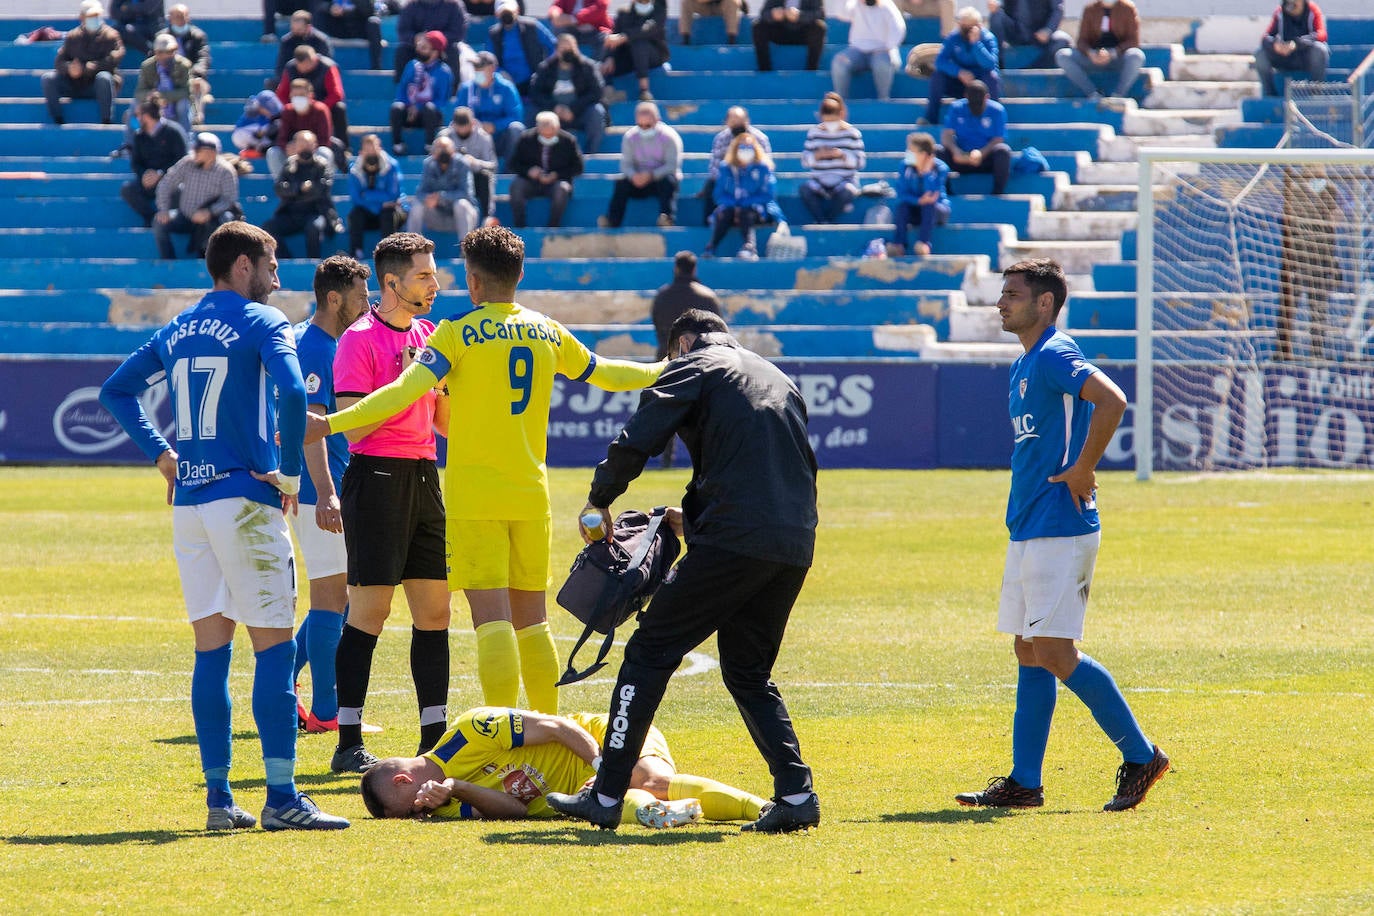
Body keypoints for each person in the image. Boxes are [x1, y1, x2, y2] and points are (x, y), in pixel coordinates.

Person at [307, 226, 664, 722]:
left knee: (490, 621)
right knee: (533, 624)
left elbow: (402, 393)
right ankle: (551, 734)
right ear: (520, 275)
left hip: (475, 497)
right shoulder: (548, 330)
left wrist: (329, 423)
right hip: (531, 495)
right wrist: (666, 368)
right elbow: (610, 373)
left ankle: (507, 740)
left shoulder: (455, 333)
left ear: (473, 282)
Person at [98, 220, 350, 832]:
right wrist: (290, 474)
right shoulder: (264, 323)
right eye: (270, 263)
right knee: (271, 651)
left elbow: (116, 391)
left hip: (192, 506)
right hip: (245, 501)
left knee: (210, 653)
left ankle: (218, 801)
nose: (278, 275)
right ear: (242, 266)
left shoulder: (178, 327)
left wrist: (163, 452)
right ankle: (283, 798)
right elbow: (294, 394)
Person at [546, 309, 820, 834]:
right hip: (791, 542)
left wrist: (600, 498)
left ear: (685, 341)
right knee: (747, 671)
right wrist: (691, 519)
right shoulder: (776, 376)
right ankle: (796, 794)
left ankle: (605, 796)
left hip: (733, 540)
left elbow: (640, 434)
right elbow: (769, 467)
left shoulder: (694, 363)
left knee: (649, 652)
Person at [954, 258, 1170, 813]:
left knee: (1053, 649)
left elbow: (1113, 399)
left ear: (1044, 303)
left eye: (1012, 294)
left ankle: (1142, 756)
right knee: (1029, 650)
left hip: (1060, 524)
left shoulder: (1054, 352)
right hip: (1029, 525)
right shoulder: (1024, 362)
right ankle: (1025, 781)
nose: (1000, 302)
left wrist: (1083, 466)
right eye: (1001, 293)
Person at [321, 232, 454, 774]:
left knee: (436, 611)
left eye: (434, 273)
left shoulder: (431, 335)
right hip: (375, 477)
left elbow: (443, 424)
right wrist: (407, 378)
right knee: (371, 612)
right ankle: (347, 740)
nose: (435, 284)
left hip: (425, 476)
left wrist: (448, 394)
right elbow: (355, 424)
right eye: (424, 275)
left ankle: (436, 741)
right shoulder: (358, 338)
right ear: (392, 283)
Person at [361, 706, 769, 828]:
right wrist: (460, 789)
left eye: (409, 807)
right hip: (584, 790)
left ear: (403, 779)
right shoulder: (445, 802)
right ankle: (663, 813)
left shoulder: (471, 731)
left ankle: (762, 809)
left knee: (651, 780)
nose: (420, 812)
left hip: (601, 740)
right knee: (632, 803)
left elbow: (560, 727)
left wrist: (603, 766)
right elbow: (517, 811)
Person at [287, 254, 373, 735]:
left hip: (315, 483)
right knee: (331, 595)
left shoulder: (304, 337)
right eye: (361, 296)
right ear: (334, 297)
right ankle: (325, 710)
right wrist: (325, 493)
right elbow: (310, 427)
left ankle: (292, 682)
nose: (368, 305)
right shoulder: (319, 346)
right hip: (319, 484)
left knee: (337, 595)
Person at [1277, 167, 1341, 361]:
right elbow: (1294, 227)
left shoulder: (1329, 191)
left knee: (1318, 311)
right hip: (1298, 261)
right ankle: (1282, 352)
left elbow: (1330, 231)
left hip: (1320, 263)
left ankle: (1316, 354)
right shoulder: (1296, 192)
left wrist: (1333, 263)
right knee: (1289, 306)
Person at [154, 131, 240, 260]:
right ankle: (168, 261)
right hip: (184, 216)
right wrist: (163, 209)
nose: (194, 152)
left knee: (226, 219)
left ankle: (210, 261)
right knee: (158, 222)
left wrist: (209, 212)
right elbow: (166, 183)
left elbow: (229, 199)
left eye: (198, 150)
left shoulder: (225, 171)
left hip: (211, 219)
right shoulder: (187, 163)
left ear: (210, 152)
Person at [599, 100, 682, 228]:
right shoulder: (630, 137)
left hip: (660, 179)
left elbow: (672, 165)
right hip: (638, 180)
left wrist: (651, 175)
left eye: (647, 125)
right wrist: (633, 176)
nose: (643, 128)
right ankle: (612, 221)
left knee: (669, 182)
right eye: (640, 125)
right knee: (621, 184)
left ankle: (667, 220)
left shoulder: (670, 137)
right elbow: (625, 164)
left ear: (657, 120)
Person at [42, 1, 125, 126]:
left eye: (96, 15)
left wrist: (86, 68)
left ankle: (106, 120)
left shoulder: (111, 35)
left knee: (104, 78)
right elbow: (59, 62)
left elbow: (114, 59)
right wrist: (69, 69)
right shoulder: (72, 36)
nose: (94, 19)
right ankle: (57, 119)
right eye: (90, 16)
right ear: (82, 17)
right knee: (48, 78)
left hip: (97, 87)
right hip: (74, 84)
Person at [528, 32, 608, 154]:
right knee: (532, 112)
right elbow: (535, 93)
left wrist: (573, 109)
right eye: (563, 49)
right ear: (557, 51)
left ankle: (591, 153)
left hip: (580, 113)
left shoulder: (587, 66)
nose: (567, 52)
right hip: (553, 114)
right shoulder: (545, 68)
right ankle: (535, 155)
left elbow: (597, 92)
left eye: (570, 48)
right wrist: (554, 107)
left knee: (597, 112)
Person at [706, 131, 780, 261]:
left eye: (749, 147)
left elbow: (768, 194)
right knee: (725, 213)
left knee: (746, 213)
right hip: (731, 209)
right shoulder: (726, 168)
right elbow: (719, 194)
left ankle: (749, 247)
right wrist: (734, 205)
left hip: (756, 210)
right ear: (735, 149)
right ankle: (711, 247)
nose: (745, 151)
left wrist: (744, 203)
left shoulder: (763, 168)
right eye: (742, 147)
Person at [924, 7, 1001, 127]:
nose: (966, 31)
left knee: (992, 77)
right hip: (958, 83)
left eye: (970, 27)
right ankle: (930, 118)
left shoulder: (988, 38)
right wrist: (959, 72)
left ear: (979, 26)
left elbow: (990, 64)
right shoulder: (953, 37)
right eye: (963, 26)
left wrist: (976, 44)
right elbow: (940, 61)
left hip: (980, 85)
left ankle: (993, 119)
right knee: (937, 76)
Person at [264, 130, 334, 260]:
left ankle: (314, 263)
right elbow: (279, 189)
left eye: (308, 144)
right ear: (295, 146)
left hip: (315, 212)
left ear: (315, 145)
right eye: (301, 144)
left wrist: (294, 193)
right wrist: (299, 189)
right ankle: (285, 259)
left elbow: (322, 190)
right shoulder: (289, 165)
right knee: (268, 228)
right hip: (291, 214)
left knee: (313, 228)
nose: (305, 148)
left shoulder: (322, 166)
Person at [1054, 0, 1145, 101]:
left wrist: (1113, 52)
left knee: (1136, 56)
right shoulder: (1090, 9)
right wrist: (1090, 53)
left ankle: (1118, 95)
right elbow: (1081, 41)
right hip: (1094, 58)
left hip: (1118, 58)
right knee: (1062, 55)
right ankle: (1092, 94)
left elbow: (1134, 40)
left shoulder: (1128, 8)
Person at [507, 111, 584, 228]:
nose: (547, 137)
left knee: (562, 189)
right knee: (516, 186)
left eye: (551, 134)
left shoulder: (568, 141)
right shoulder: (526, 139)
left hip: (556, 182)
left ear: (557, 128)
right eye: (544, 134)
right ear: (538, 129)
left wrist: (556, 175)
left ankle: (553, 227)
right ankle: (520, 226)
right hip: (531, 182)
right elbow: (513, 164)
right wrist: (528, 171)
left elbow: (578, 167)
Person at [120, 96, 188, 226]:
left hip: (170, 180)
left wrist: (161, 173)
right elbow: (136, 162)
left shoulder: (173, 132)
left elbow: (182, 159)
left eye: (138, 115)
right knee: (127, 190)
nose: (137, 118)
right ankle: (151, 218)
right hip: (148, 182)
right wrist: (144, 175)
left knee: (180, 192)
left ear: (147, 115)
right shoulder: (139, 136)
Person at [800, 92, 865, 224]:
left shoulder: (852, 133)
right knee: (805, 190)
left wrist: (842, 155)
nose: (829, 125)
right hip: (819, 182)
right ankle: (822, 221)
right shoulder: (814, 133)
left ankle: (826, 221)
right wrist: (817, 155)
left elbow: (860, 162)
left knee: (848, 192)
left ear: (840, 115)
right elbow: (805, 161)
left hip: (844, 181)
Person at [938, 79, 1011, 196]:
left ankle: (998, 192)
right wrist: (955, 151)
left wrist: (981, 153)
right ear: (965, 96)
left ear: (987, 97)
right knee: (938, 151)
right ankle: (947, 192)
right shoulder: (956, 108)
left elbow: (998, 139)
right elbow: (947, 135)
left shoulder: (997, 111)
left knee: (1003, 151)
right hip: (961, 157)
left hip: (985, 159)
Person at [700, 106, 771, 224]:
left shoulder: (760, 138)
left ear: (747, 121)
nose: (737, 124)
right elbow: (714, 167)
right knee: (711, 185)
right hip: (728, 179)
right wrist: (729, 181)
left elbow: (767, 166)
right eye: (733, 121)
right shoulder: (721, 138)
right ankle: (709, 224)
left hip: (752, 180)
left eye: (740, 121)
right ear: (727, 122)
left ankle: (764, 218)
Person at [405, 136, 479, 248]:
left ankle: (465, 249)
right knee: (417, 206)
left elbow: (467, 194)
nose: (443, 151)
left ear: (453, 150)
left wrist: (440, 197)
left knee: (461, 204)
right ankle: (411, 248)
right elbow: (420, 193)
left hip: (462, 217)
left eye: (446, 148)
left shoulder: (462, 163)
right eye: (439, 148)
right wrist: (428, 199)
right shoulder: (428, 164)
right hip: (437, 216)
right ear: (434, 152)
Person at [391, 31, 455, 156]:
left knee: (429, 108)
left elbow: (441, 101)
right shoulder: (412, 65)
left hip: (429, 116)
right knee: (396, 108)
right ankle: (397, 144)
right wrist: (408, 106)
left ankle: (429, 145)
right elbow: (401, 91)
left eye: (424, 48)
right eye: (419, 46)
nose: (419, 50)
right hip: (410, 114)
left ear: (435, 52)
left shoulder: (444, 72)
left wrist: (418, 108)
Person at [276, 45, 350, 152]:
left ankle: (345, 149)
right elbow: (281, 93)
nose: (306, 68)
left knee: (339, 109)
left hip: (321, 107)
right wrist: (294, 106)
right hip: (296, 111)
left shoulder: (327, 67)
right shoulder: (290, 68)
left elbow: (336, 94)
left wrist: (317, 107)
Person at [830, 0, 906, 102]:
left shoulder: (887, 5)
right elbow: (842, 14)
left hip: (882, 50)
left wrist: (887, 47)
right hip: (858, 51)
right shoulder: (855, 4)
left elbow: (899, 28)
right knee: (839, 62)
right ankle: (841, 102)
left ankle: (883, 99)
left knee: (882, 64)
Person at [887, 132, 949, 257]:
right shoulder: (905, 167)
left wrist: (926, 172)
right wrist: (918, 200)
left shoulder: (940, 168)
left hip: (937, 211)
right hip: (915, 208)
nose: (908, 153)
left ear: (923, 154)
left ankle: (923, 243)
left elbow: (933, 194)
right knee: (902, 206)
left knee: (929, 205)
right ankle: (899, 245)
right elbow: (901, 193)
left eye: (911, 150)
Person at [457, 52, 526, 163]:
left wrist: (494, 126)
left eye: (480, 68)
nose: (476, 72)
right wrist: (473, 124)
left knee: (516, 128)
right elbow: (458, 115)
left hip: (499, 138)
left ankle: (510, 171)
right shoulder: (467, 89)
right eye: (475, 68)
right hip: (474, 138)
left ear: (492, 69)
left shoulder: (506, 88)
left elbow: (515, 116)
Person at [437, 107, 498, 226]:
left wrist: (475, 162)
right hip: (452, 178)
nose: (463, 130)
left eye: (466, 126)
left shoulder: (484, 137)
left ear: (473, 123)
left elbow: (493, 165)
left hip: (475, 178)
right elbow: (434, 161)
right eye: (459, 127)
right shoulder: (444, 137)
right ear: (453, 125)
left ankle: (487, 217)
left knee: (485, 176)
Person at [1254, 0, 1329, 97]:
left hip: (1304, 57)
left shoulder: (1313, 10)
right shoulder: (1280, 12)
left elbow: (1321, 34)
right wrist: (1275, 45)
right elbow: (1265, 37)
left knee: (1320, 50)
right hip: (1284, 57)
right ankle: (1270, 95)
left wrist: (1297, 44)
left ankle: (1316, 94)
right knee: (1260, 54)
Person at [348, 134, 406, 258]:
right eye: (367, 150)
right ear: (361, 151)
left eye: (373, 149)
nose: (370, 153)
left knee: (388, 213)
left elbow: (393, 195)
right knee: (355, 215)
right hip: (368, 212)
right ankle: (356, 253)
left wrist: (367, 195)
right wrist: (379, 204)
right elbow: (356, 198)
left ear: (380, 148)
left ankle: (388, 254)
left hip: (391, 212)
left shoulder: (391, 166)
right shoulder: (355, 170)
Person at [600, 0, 668, 102]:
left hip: (653, 55)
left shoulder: (659, 8)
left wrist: (625, 37)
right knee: (606, 50)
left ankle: (644, 90)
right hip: (630, 56)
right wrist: (611, 57)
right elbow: (615, 35)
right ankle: (608, 90)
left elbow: (648, 29)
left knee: (639, 43)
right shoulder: (624, 12)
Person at [270, 79, 339, 177]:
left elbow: (325, 140)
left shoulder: (320, 110)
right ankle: (284, 186)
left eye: (302, 95)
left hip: (314, 152)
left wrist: (306, 148)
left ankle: (319, 184)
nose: (298, 98)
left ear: (310, 95)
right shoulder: (287, 111)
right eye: (295, 95)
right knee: (273, 152)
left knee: (325, 152)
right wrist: (288, 147)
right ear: (290, 96)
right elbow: (281, 139)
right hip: (292, 154)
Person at [157, 5, 212, 126]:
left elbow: (203, 58)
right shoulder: (162, 37)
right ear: (170, 18)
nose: (180, 19)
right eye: (176, 17)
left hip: (191, 76)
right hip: (166, 78)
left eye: (182, 16)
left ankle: (197, 116)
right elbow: (155, 60)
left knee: (197, 84)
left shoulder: (198, 36)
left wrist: (192, 73)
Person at [489, 0, 558, 96]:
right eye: (503, 13)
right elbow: (490, 61)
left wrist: (544, 69)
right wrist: (501, 73)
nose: (507, 16)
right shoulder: (494, 34)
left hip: (535, 82)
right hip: (507, 86)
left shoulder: (532, 26)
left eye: (509, 12)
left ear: (517, 10)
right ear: (497, 14)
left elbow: (554, 46)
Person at [396, 0, 469, 84]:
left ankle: (452, 91)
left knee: (453, 50)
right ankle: (402, 89)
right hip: (417, 46)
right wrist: (416, 38)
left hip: (442, 47)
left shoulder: (454, 4)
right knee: (402, 50)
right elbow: (403, 31)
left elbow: (458, 32)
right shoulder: (410, 5)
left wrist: (434, 39)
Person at [133, 32, 193, 135]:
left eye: (170, 51)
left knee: (183, 105)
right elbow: (139, 92)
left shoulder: (183, 65)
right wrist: (151, 96)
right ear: (156, 53)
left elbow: (186, 92)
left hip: (175, 102)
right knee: (135, 106)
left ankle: (185, 138)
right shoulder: (147, 66)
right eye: (161, 52)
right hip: (153, 103)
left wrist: (161, 96)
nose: (166, 56)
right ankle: (132, 139)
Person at [987, 0, 1069, 68]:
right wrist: (995, 4)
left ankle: (1035, 68)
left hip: (1039, 34)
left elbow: (1057, 10)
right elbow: (997, 2)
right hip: (1015, 31)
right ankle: (997, 62)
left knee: (1063, 41)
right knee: (996, 15)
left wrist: (1048, 30)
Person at [752, 0, 826, 72]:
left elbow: (820, 14)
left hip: (804, 34)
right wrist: (772, 14)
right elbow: (764, 13)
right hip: (780, 33)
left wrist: (800, 15)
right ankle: (765, 70)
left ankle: (811, 70)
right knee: (758, 25)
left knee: (819, 27)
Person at [313, 0, 384, 71]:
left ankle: (376, 66)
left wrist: (350, 9)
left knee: (374, 22)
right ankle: (319, 65)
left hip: (359, 27)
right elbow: (318, 4)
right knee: (319, 15)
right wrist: (330, 8)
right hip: (339, 26)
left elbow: (370, 11)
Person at [273, 9, 335, 79]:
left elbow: (326, 66)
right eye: (293, 29)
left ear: (308, 27)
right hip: (293, 81)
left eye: (299, 30)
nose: (295, 32)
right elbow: (280, 68)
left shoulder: (321, 41)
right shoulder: (286, 41)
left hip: (317, 81)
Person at [547, 0, 613, 53]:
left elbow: (600, 7)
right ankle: (556, 65)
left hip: (595, 29)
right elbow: (556, 5)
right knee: (557, 30)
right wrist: (556, 15)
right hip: (572, 29)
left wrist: (574, 19)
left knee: (605, 40)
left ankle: (598, 68)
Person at [232, 89, 282, 158]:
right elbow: (261, 132)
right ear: (260, 106)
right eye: (267, 108)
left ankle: (264, 149)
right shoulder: (252, 113)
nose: (270, 110)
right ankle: (258, 150)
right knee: (274, 127)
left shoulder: (277, 113)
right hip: (244, 135)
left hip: (262, 137)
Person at [679, 0, 744, 45]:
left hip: (722, 7)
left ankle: (731, 39)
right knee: (686, 2)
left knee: (732, 2)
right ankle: (686, 38)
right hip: (704, 7)